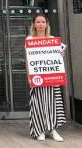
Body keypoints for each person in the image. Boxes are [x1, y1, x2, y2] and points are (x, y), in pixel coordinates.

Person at [27, 13, 66, 142]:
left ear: (47, 24)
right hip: (37, 77)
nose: (40, 24)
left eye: (43, 22)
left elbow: (57, 59)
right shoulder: (30, 40)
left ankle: (53, 130)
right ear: (34, 24)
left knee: (52, 104)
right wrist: (29, 77)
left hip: (51, 78)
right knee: (39, 103)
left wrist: (61, 54)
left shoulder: (52, 39)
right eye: (38, 22)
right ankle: (40, 130)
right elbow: (28, 60)